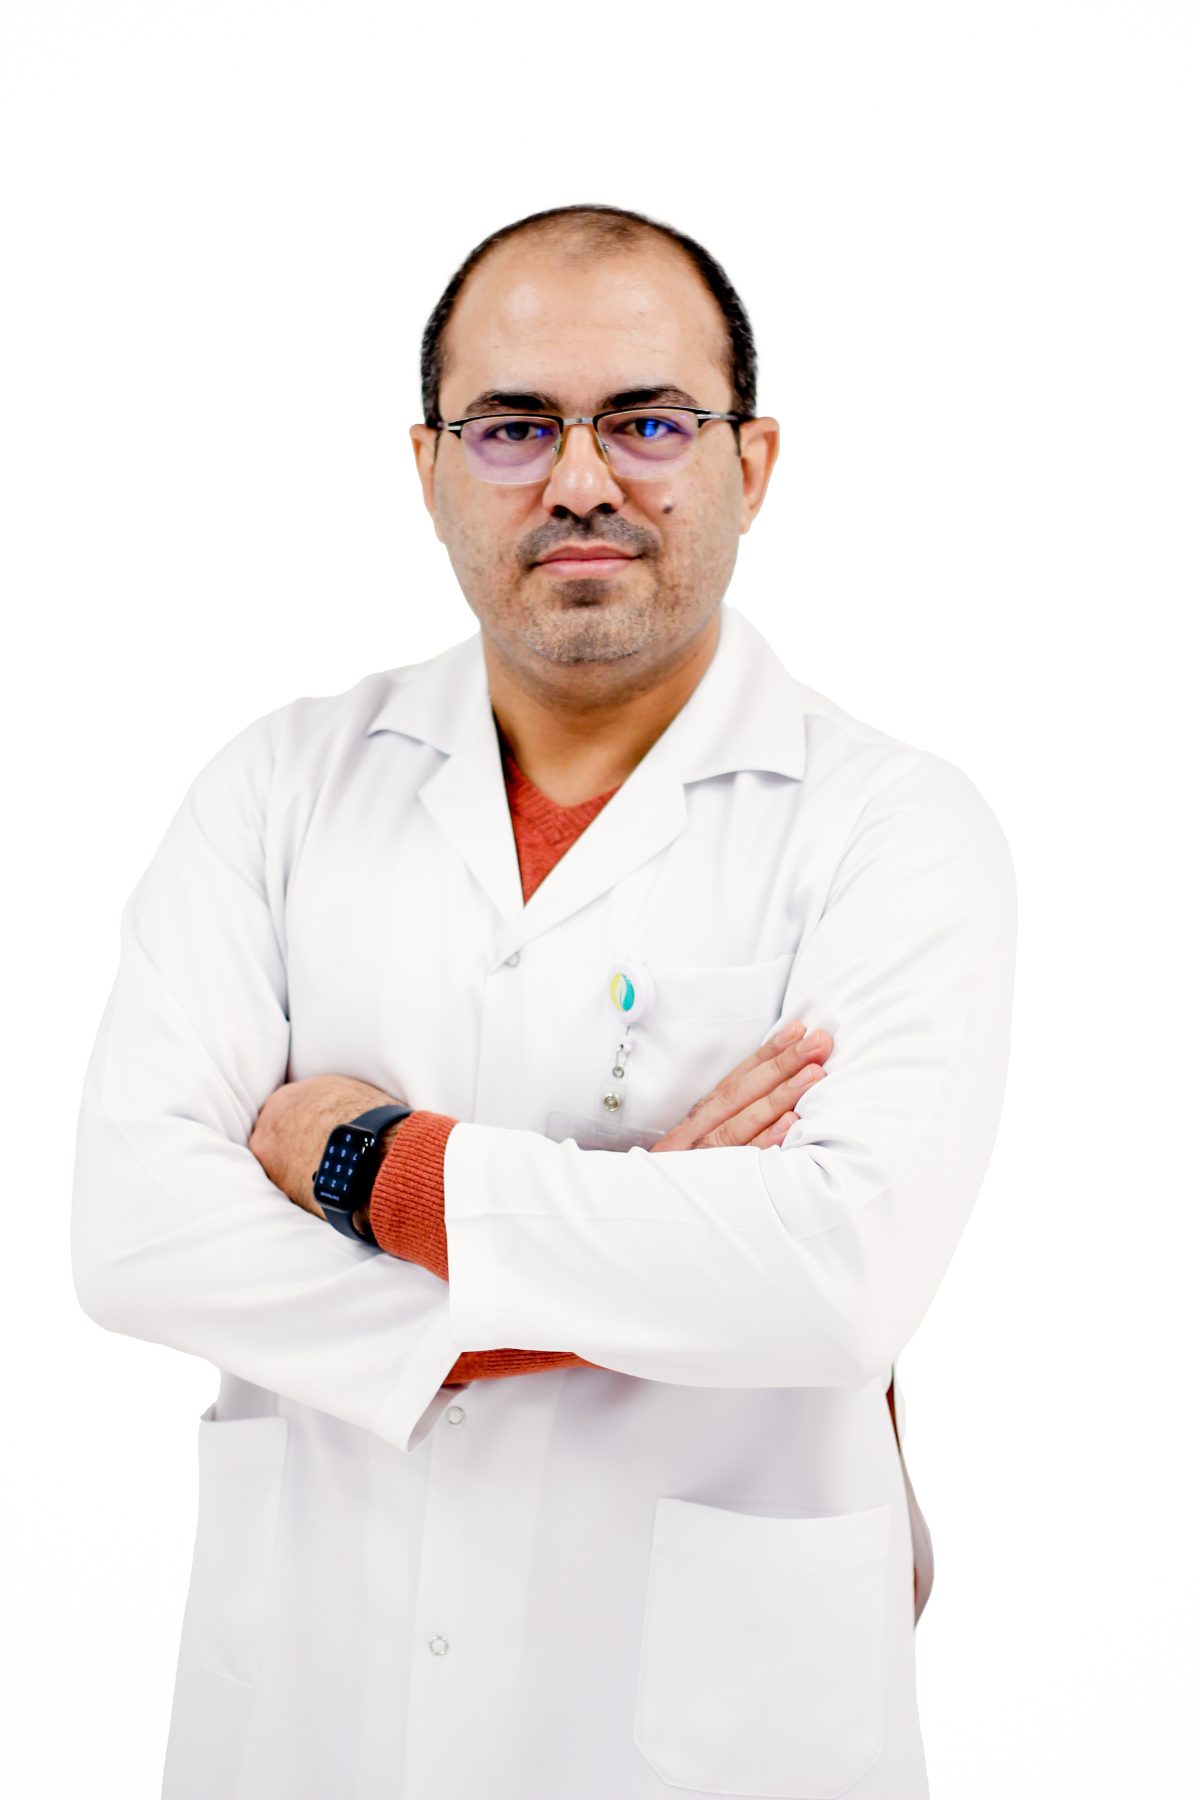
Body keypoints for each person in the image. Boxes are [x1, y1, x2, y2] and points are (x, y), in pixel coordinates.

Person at [71, 203, 1014, 1800]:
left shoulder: (892, 825)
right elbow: (133, 1233)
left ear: (754, 462)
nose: (581, 480)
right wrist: (648, 1232)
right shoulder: (279, 788)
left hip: (720, 1736)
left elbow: (837, 1275)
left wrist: (377, 1170)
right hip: (316, 1708)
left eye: (649, 422)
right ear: (429, 468)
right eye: (514, 427)